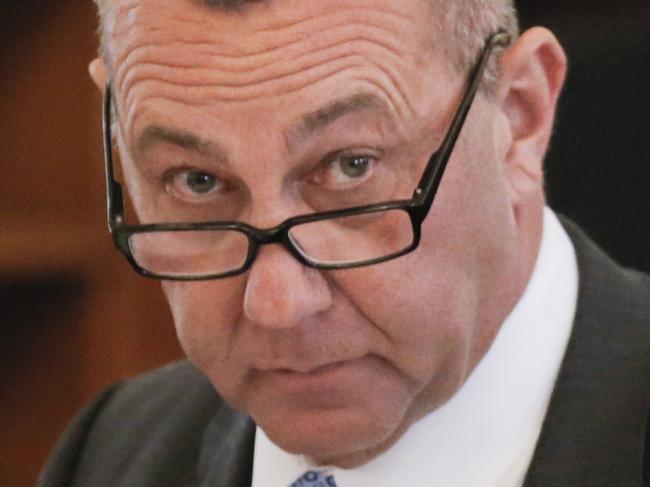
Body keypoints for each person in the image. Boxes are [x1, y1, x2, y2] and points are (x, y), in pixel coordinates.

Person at [40, 0, 649, 486]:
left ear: (519, 117)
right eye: (197, 182)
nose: (277, 306)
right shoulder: (108, 453)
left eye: (352, 166)